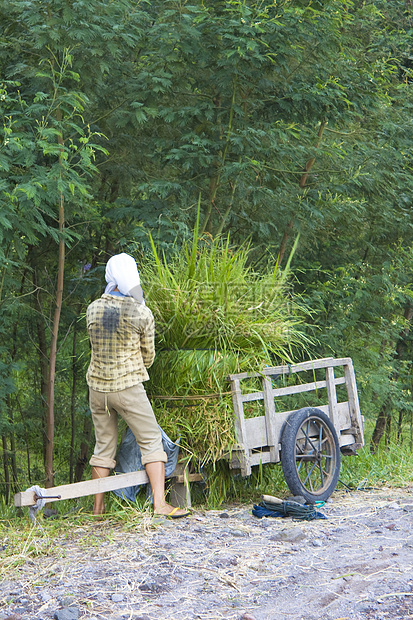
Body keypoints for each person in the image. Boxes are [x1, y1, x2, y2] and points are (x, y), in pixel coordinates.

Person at [86, 252, 189, 518]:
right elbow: (149, 356)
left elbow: (95, 347)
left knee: (103, 446)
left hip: (97, 389)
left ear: (111, 277)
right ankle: (159, 504)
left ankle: (97, 510)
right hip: (128, 387)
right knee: (151, 440)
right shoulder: (141, 312)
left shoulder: (93, 308)